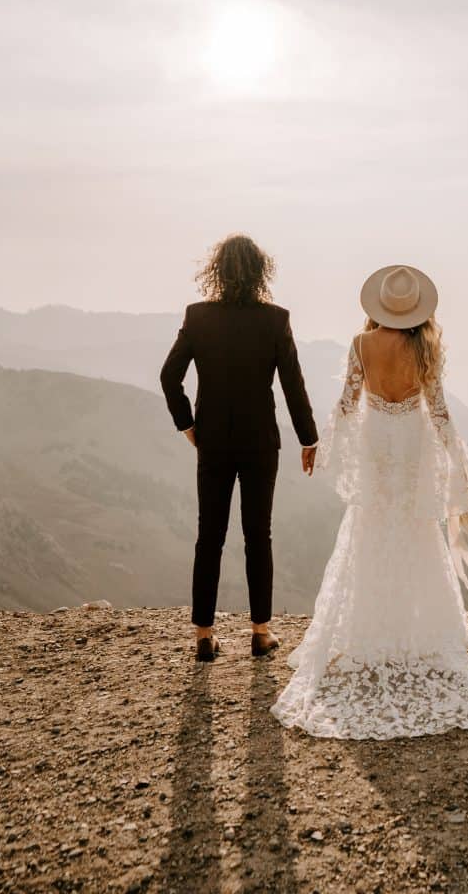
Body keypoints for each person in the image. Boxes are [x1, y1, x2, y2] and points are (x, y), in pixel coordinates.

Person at [270, 264, 468, 739]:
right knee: (413, 531)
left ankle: (370, 632)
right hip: (411, 444)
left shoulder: (361, 345)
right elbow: (441, 412)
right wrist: (459, 465)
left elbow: (347, 405)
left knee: (369, 529)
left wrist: (322, 448)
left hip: (375, 446)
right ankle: (416, 633)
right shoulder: (423, 347)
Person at [160, 234, 318, 662]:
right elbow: (292, 385)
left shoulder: (198, 316)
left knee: (208, 535)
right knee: (257, 535)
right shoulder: (275, 320)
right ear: (259, 271)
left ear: (217, 269)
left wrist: (188, 424)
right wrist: (308, 437)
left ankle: (203, 636)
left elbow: (168, 376)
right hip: (260, 442)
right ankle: (260, 632)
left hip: (212, 440)